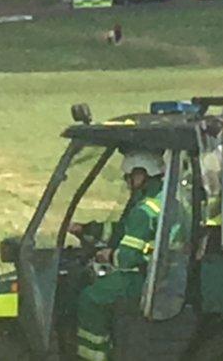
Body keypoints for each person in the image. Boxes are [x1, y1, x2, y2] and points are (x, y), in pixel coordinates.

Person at [75, 150, 164, 361]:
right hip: (160, 274)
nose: (127, 181)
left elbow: (127, 258)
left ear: (142, 174)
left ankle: (93, 356)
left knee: (90, 298)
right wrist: (87, 229)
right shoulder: (161, 199)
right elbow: (122, 230)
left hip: (140, 278)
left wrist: (108, 256)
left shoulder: (144, 210)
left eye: (130, 176)